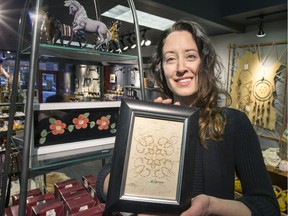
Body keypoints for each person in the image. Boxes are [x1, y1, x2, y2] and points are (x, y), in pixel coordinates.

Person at [96, 20, 280, 215]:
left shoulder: (233, 123)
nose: (180, 67)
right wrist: (144, 136)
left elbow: (267, 207)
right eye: (170, 59)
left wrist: (211, 206)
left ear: (204, 62)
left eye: (190, 56)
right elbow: (104, 178)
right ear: (162, 69)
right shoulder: (150, 120)